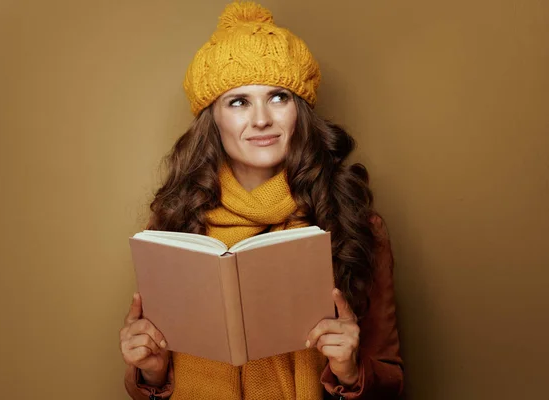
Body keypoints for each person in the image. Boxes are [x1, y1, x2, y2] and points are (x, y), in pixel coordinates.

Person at [119, 1, 403, 399]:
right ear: (212, 120)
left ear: (300, 111)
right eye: (238, 102)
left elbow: (391, 381)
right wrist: (151, 371)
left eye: (278, 97)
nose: (261, 120)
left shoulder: (355, 225)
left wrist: (349, 370)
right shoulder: (174, 227)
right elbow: (153, 383)